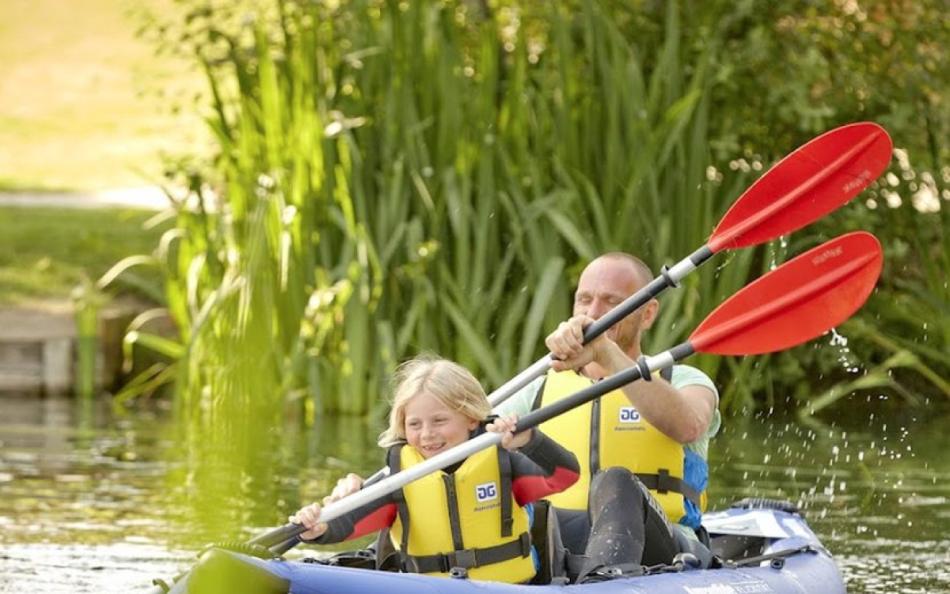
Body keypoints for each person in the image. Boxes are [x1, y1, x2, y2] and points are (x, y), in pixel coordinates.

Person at [496, 252, 720, 579]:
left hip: (663, 553)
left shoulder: (684, 380)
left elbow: (689, 425)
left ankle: (602, 581)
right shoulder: (537, 389)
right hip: (559, 549)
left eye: (612, 302)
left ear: (647, 314)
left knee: (615, 481)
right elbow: (472, 439)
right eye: (584, 300)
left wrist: (605, 352)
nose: (593, 313)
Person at [291, 356, 580, 584]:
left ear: (470, 419)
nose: (427, 434)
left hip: (505, 588)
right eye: (414, 424)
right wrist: (318, 528)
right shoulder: (401, 479)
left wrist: (529, 440)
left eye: (439, 420)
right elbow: (349, 523)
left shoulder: (504, 464)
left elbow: (566, 475)